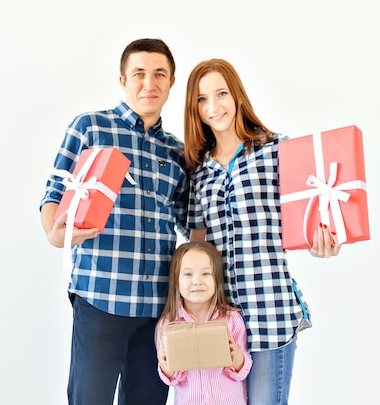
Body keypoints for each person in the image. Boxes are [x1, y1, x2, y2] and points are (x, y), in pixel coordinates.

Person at [183, 58, 341, 405]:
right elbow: (197, 247)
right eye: (202, 99)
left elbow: (310, 219)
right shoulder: (198, 172)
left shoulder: (276, 150)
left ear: (237, 95)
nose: (213, 106)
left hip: (270, 312)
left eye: (221, 93)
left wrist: (322, 244)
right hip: (220, 321)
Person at [39, 38, 189, 405]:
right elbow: (53, 195)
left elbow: (192, 225)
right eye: (139, 74)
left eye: (159, 74)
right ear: (123, 80)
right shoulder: (91, 127)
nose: (148, 84)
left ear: (171, 82)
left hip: (158, 309)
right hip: (101, 298)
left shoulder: (177, 152)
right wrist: (55, 233)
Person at [156, 241, 252, 405]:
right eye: (188, 274)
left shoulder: (231, 320)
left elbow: (242, 371)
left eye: (206, 274)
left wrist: (237, 358)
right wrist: (166, 366)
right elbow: (171, 379)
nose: (197, 281)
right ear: (176, 281)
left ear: (217, 278)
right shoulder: (168, 326)